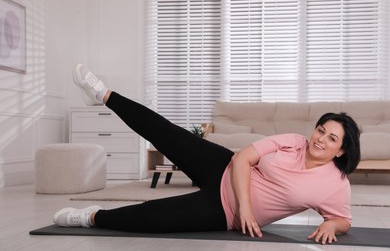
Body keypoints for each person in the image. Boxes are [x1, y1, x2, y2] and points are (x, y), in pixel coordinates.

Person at [53, 64, 361, 245]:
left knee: (151, 217)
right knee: (165, 131)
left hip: (223, 212)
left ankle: (91, 217)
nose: (320, 138)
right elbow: (242, 159)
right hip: (223, 167)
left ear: (342, 150)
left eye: (331, 138)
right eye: (321, 129)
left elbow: (342, 219)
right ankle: (102, 94)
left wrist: (331, 225)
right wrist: (247, 209)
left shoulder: (334, 184)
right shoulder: (294, 141)